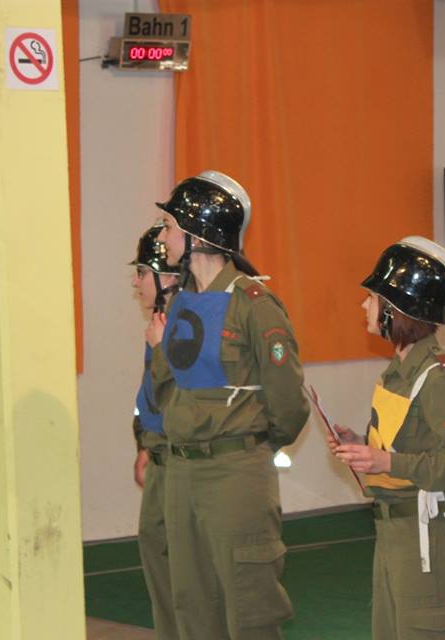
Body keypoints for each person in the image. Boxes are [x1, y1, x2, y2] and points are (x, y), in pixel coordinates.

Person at [146, 171, 309, 640]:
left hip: (234, 473)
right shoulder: (181, 302)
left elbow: (287, 401)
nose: (163, 237)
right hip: (182, 472)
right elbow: (167, 390)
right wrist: (160, 351)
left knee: (249, 607)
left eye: (170, 227)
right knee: (192, 606)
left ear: (198, 236)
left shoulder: (253, 303)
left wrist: (247, 447)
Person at [332, 236, 445, 640]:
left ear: (396, 310)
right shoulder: (399, 372)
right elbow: (408, 444)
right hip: (395, 530)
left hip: (427, 535)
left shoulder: (439, 379)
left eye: (372, 298)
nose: (364, 306)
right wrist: (362, 445)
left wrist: (385, 462)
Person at [129, 224, 180, 639]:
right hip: (160, 456)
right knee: (160, 569)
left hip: (184, 463)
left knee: (190, 582)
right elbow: (151, 394)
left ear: (168, 277)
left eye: (143, 272)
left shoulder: (188, 324)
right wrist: (144, 443)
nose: (137, 282)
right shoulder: (160, 324)